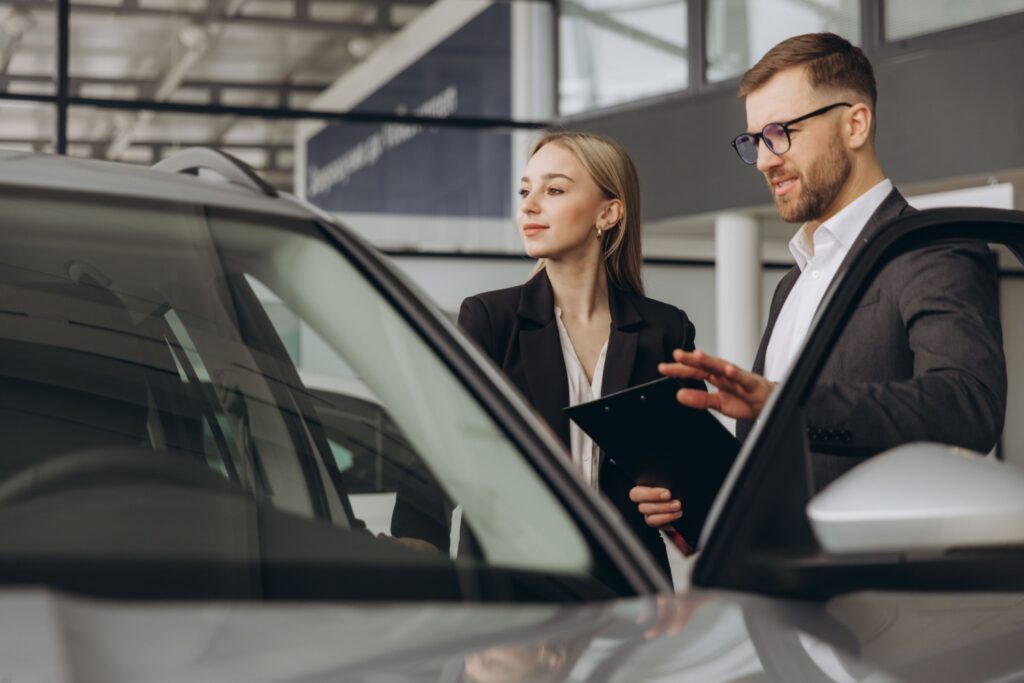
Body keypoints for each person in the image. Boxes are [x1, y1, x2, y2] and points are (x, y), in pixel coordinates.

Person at [631, 32, 1007, 532]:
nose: (764, 159)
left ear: (855, 124)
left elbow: (966, 405)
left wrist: (786, 403)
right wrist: (692, 500)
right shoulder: (795, 281)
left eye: (780, 132)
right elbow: (778, 455)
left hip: (872, 583)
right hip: (777, 574)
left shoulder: (931, 249)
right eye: (754, 141)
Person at [455, 131, 703, 576]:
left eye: (554, 190)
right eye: (525, 190)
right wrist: (416, 543)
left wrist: (675, 504)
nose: (529, 206)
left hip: (632, 595)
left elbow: (694, 480)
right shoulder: (490, 320)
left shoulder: (666, 330)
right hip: (514, 590)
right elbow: (439, 446)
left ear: (608, 213)